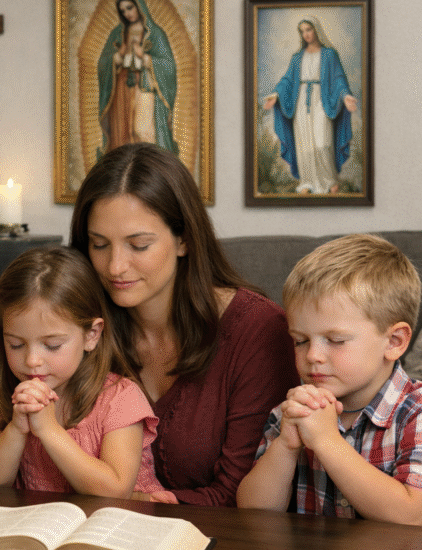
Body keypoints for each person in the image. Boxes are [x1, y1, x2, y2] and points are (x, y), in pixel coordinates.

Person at [69, 142, 300, 506]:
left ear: (184, 240)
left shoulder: (259, 331)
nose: (114, 267)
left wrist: (136, 502)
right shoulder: (81, 331)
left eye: (139, 245)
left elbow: (240, 497)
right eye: (99, 245)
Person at [236, 235, 422, 529]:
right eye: (300, 341)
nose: (313, 355)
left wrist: (327, 441)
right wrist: (285, 446)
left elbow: (411, 515)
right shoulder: (294, 412)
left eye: (335, 340)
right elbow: (252, 511)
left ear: (394, 341)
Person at [0, 247, 166, 498]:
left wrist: (49, 430)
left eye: (52, 345)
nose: (32, 361)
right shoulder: (15, 399)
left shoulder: (119, 399)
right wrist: (16, 429)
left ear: (91, 335)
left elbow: (116, 490)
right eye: (16, 344)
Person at [263, 17, 358, 195]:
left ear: (316, 30)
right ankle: (307, 182)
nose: (306, 34)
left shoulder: (329, 54)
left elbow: (338, 79)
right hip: (301, 103)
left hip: (322, 101)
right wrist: (275, 95)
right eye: (302, 31)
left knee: (323, 143)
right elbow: (287, 80)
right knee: (304, 144)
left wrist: (345, 97)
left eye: (309, 29)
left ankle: (329, 181)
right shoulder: (297, 58)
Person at [96, 0, 178, 159]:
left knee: (142, 130)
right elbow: (103, 63)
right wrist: (117, 57)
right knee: (123, 133)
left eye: (130, 8)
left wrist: (146, 57)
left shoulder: (155, 34)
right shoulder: (117, 33)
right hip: (121, 88)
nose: (127, 13)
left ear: (139, 6)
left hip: (145, 88)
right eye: (123, 11)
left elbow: (168, 65)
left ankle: (148, 168)